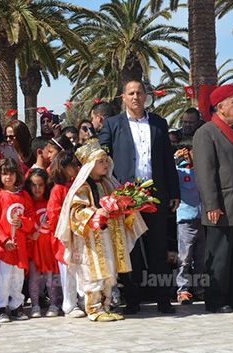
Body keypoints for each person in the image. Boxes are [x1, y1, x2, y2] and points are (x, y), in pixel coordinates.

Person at [99, 79, 179, 314]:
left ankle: (163, 298)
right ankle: (131, 299)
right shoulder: (113, 124)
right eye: (131, 93)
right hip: (125, 196)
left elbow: (167, 159)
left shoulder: (158, 123)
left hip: (155, 194)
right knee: (129, 249)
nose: (135, 97)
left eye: (139, 93)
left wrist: (173, 192)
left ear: (146, 96)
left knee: (157, 248)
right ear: (123, 97)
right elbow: (102, 157)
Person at [54, 140, 147, 321]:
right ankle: (94, 309)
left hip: (109, 237)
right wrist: (97, 213)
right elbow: (76, 212)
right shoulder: (82, 187)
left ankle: (105, 306)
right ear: (90, 165)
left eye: (106, 161)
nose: (106, 164)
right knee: (93, 274)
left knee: (109, 274)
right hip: (91, 241)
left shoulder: (109, 184)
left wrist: (127, 209)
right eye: (101, 161)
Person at [192, 84, 233, 313]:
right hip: (222, 205)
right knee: (220, 257)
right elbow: (205, 171)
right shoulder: (206, 132)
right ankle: (217, 299)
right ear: (220, 107)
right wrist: (211, 203)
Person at [0, 158, 34, 323]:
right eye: (5, 174)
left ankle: (16, 306)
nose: (8, 177)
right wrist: (3, 239)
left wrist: (23, 223)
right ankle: (0, 308)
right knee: (3, 277)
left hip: (20, 245)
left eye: (11, 173)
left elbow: (31, 217)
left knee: (18, 277)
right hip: (4, 247)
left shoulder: (23, 195)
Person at [47, 151, 83, 318]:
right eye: (72, 166)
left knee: (80, 269)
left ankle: (81, 299)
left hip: (79, 235)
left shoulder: (76, 186)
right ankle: (69, 304)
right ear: (63, 168)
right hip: (65, 237)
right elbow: (53, 214)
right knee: (68, 271)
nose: (76, 168)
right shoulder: (58, 189)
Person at [25, 168, 60, 318]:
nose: (37, 189)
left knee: (50, 279)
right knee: (33, 277)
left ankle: (54, 304)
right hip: (33, 246)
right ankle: (35, 305)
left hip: (48, 247)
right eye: (33, 185)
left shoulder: (50, 202)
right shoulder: (27, 203)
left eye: (40, 185)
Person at [173, 138, 205, 304]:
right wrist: (176, 159)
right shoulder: (179, 171)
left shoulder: (201, 170)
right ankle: (183, 289)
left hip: (203, 218)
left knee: (201, 258)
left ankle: (199, 288)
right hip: (186, 220)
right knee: (184, 258)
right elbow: (169, 173)